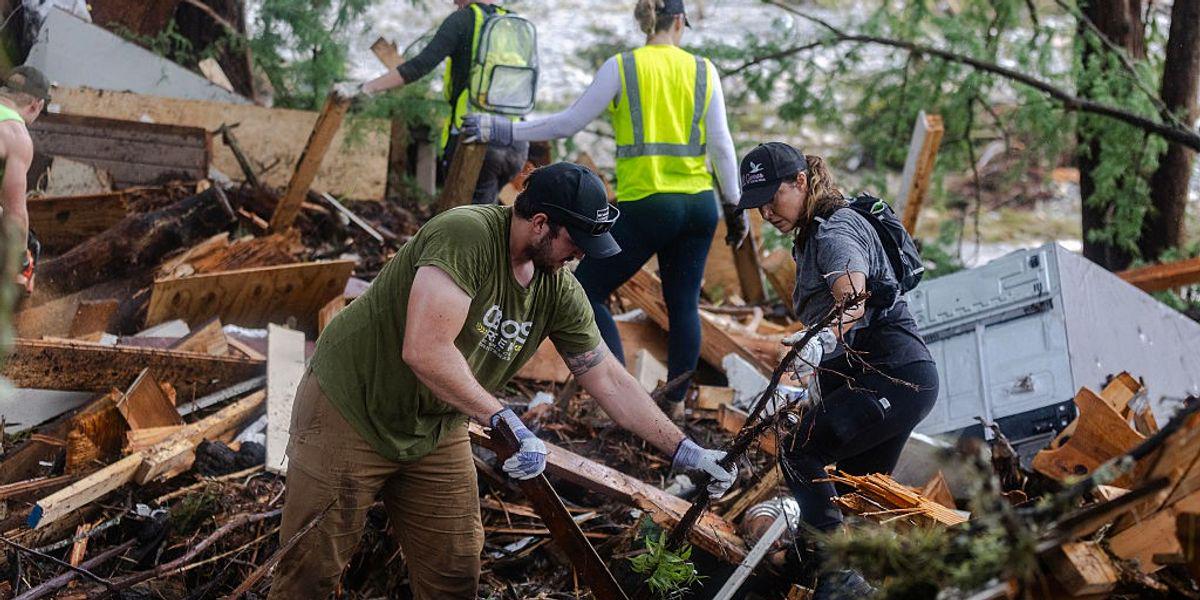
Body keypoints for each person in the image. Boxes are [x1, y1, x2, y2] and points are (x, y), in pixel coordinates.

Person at [267, 162, 737, 600]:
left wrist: (684, 450)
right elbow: (425, 350)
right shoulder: (465, 235)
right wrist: (503, 416)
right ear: (540, 224)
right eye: (576, 242)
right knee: (310, 572)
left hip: (434, 423)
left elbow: (609, 377)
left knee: (453, 571)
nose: (579, 257)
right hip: (351, 408)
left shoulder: (556, 285)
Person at [462, 0, 746, 419]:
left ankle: (620, 395)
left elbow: (567, 123)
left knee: (588, 290)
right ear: (681, 22)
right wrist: (735, 208)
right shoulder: (704, 70)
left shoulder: (624, 66)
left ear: (645, 21)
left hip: (651, 202)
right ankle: (674, 406)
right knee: (683, 304)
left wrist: (500, 127)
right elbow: (722, 146)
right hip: (700, 205)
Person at [735, 142, 939, 598]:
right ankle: (822, 574)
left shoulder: (834, 232)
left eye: (773, 198)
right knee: (843, 490)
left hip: (894, 374)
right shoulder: (811, 236)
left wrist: (819, 342)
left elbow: (853, 300)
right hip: (892, 377)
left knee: (800, 450)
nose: (766, 212)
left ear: (801, 182)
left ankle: (837, 581)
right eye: (758, 205)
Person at [358, 0, 530, 204]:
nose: (452, 1)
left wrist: (366, 88)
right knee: (484, 215)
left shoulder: (464, 19)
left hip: (478, 144)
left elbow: (417, 67)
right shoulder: (513, 24)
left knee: (468, 222)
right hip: (515, 144)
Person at [0, 66, 49, 294]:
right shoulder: (16, 135)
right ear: (36, 105)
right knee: (27, 245)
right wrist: (22, 261)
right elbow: (15, 212)